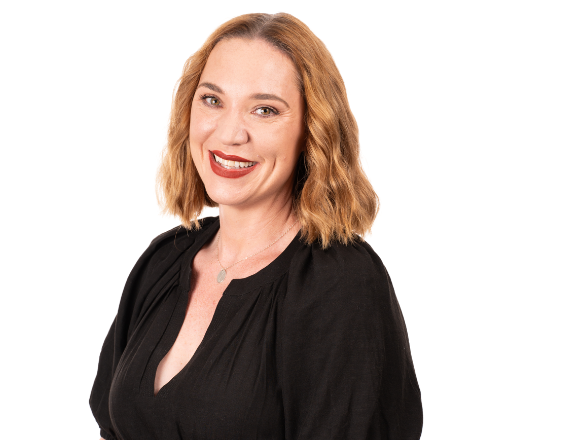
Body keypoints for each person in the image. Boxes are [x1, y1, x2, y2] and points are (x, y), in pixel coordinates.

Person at [89, 12, 422, 440]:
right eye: (212, 100)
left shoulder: (341, 282)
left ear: (313, 129)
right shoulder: (163, 260)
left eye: (265, 110)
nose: (230, 133)